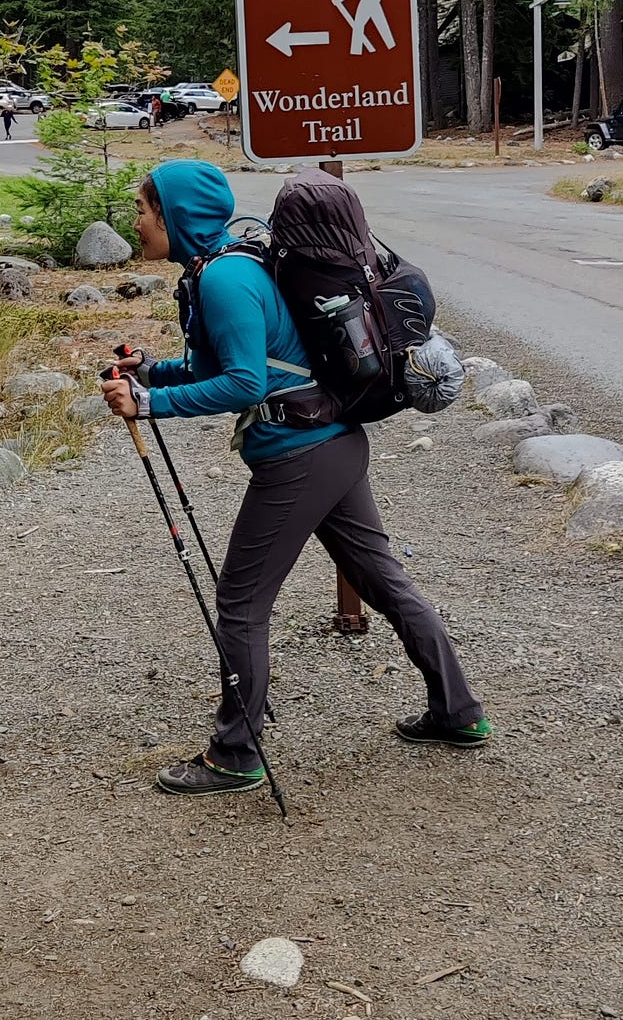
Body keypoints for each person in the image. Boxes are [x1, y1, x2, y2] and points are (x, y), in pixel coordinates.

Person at [102, 159, 489, 795]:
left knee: (242, 602)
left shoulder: (225, 278)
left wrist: (149, 406)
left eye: (145, 209)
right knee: (383, 581)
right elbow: (225, 361)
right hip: (334, 445)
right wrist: (154, 370)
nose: (138, 222)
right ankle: (458, 712)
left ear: (177, 215)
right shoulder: (217, 269)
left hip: (300, 457)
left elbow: (245, 384)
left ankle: (235, 753)